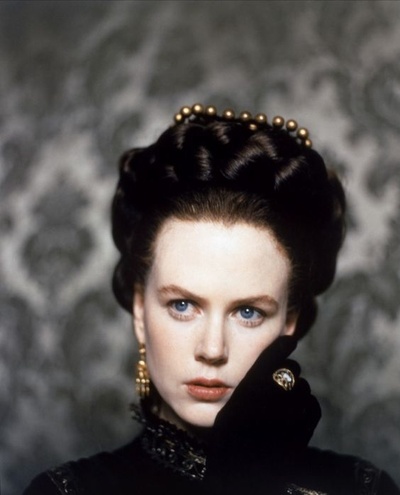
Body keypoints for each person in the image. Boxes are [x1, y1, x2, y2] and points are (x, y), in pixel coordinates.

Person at [23, 104, 399, 494]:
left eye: (248, 312)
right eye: (182, 305)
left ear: (289, 323)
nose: (213, 349)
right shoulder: (64, 491)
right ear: (139, 309)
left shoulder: (363, 488)